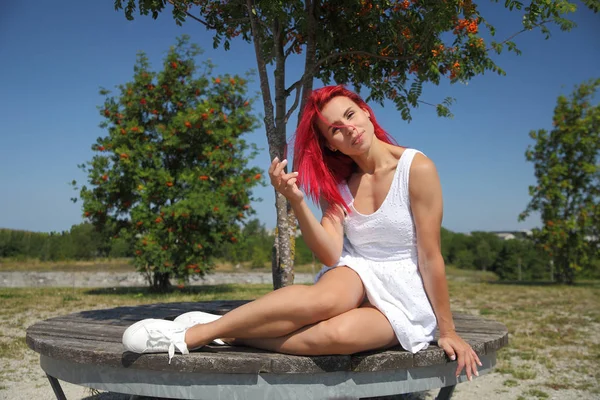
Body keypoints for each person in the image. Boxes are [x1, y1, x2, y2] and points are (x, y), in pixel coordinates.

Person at [122, 85, 482, 381]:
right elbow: (329, 253)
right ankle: (190, 336)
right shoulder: (340, 185)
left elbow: (430, 255)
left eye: (350, 115)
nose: (348, 128)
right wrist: (295, 200)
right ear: (330, 143)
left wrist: (447, 330)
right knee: (324, 300)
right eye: (335, 129)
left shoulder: (416, 168)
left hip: (405, 284)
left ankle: (227, 331)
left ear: (367, 113)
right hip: (357, 270)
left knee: (338, 336)